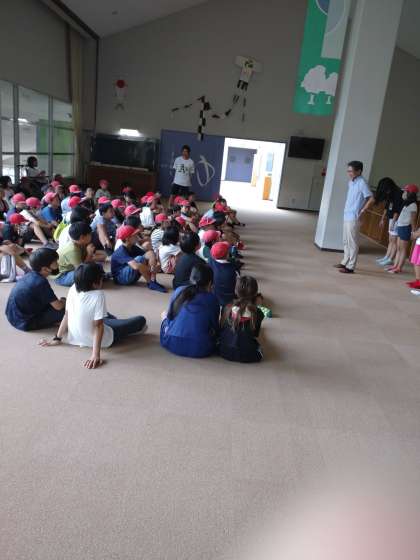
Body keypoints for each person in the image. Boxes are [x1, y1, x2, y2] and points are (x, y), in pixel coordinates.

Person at [40, 262, 147, 370]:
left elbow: (67, 314)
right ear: (95, 283)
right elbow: (98, 326)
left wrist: (57, 338)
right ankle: (117, 325)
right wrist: (95, 355)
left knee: (105, 315)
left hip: (75, 338)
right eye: (101, 279)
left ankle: (112, 321)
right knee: (141, 320)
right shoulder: (98, 295)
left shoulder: (73, 288)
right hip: (103, 339)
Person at [160, 262, 220, 358]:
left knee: (164, 314)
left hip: (171, 342)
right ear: (210, 283)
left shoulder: (179, 290)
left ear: (190, 278)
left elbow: (170, 316)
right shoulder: (212, 299)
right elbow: (214, 327)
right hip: (201, 348)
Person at [5, 248, 65, 331]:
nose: (58, 264)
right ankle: (52, 322)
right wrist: (63, 301)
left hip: (12, 315)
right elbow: (58, 307)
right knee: (67, 310)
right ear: (45, 268)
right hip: (24, 322)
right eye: (55, 263)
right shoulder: (41, 283)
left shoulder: (29, 274)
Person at [334, 161, 374, 274]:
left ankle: (351, 266)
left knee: (352, 242)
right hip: (347, 214)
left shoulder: (362, 183)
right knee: (345, 240)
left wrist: (363, 210)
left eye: (351, 171)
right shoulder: (351, 182)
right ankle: (345, 261)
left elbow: (371, 199)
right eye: (348, 171)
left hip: (354, 216)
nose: (349, 173)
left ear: (359, 171)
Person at [219, 276, 264, 363]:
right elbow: (255, 334)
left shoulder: (226, 307)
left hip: (223, 351)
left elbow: (222, 327)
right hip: (247, 356)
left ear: (235, 291)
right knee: (259, 349)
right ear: (255, 293)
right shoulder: (258, 313)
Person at [111, 225, 167, 292]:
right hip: (120, 278)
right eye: (134, 235)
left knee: (150, 253)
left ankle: (153, 280)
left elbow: (147, 255)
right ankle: (150, 283)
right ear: (127, 238)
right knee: (139, 259)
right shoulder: (120, 251)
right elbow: (135, 266)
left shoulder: (133, 247)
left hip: (129, 274)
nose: (137, 237)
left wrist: (157, 264)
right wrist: (151, 270)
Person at [387, 184, 418, 274]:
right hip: (400, 226)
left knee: (403, 249)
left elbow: (413, 220)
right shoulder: (406, 203)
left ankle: (399, 267)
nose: (403, 193)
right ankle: (395, 265)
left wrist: (413, 231)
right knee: (399, 248)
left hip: (406, 228)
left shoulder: (413, 205)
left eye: (405, 191)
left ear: (410, 193)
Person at [53, 222, 96, 286]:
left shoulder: (79, 243)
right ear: (82, 237)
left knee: (96, 267)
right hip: (62, 276)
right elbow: (81, 270)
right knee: (86, 274)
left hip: (72, 268)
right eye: (90, 234)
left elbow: (84, 259)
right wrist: (89, 254)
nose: (91, 236)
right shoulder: (72, 250)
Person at [374, 178, 403, 267]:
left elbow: (397, 210)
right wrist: (382, 219)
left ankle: (390, 259)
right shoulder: (390, 193)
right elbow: (387, 207)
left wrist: (393, 222)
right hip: (391, 218)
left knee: (394, 240)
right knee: (390, 240)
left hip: (396, 219)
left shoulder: (398, 193)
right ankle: (386, 257)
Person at [208, 241, 238, 306]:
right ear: (227, 255)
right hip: (227, 298)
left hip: (214, 293)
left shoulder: (210, 260)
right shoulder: (231, 270)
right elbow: (234, 284)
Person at [408, 225, 420, 293]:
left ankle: (418, 281)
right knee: (416, 262)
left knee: (418, 263)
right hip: (418, 243)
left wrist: (414, 234)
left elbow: (416, 235)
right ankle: (418, 280)